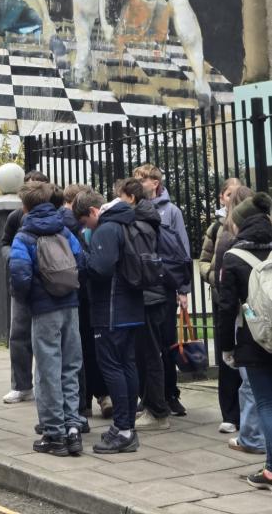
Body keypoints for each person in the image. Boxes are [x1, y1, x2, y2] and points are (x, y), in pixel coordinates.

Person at [9, 181, 85, 457]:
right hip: (70, 306)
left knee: (47, 371)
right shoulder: (64, 229)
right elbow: (81, 262)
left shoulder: (24, 236)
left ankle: (54, 434)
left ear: (26, 207)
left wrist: (30, 298)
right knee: (70, 367)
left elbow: (19, 275)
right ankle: (73, 428)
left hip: (44, 310)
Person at [72, 189, 145, 455]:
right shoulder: (127, 221)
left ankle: (123, 430)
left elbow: (100, 269)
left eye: (85, 222)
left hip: (111, 310)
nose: (86, 228)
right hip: (131, 308)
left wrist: (82, 258)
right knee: (127, 365)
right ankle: (127, 428)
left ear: (93, 211)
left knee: (112, 367)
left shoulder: (106, 228)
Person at [218, 191, 272, 490]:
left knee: (266, 403)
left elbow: (227, 310)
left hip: (255, 339)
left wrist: (227, 348)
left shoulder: (233, 257)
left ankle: (271, 470)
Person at [134, 163, 191, 417]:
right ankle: (146, 395)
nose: (138, 184)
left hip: (165, 286)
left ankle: (170, 394)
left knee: (167, 344)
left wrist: (183, 289)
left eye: (141, 180)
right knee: (143, 346)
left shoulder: (172, 211)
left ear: (154, 183)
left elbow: (182, 251)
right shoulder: (133, 210)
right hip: (143, 288)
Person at [116, 177, 172, 432]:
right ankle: (151, 405)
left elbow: (138, 264)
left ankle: (157, 411)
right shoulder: (146, 220)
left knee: (149, 354)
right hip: (152, 294)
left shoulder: (139, 225)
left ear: (131, 197)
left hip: (148, 296)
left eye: (120, 196)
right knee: (147, 353)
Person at [214, 185, 265, 456]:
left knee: (253, 389)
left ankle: (253, 438)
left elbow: (226, 303)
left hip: (249, 326)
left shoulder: (232, 251)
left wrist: (226, 346)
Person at [61, 183, 110, 422]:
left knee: (76, 350)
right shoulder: (91, 226)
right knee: (95, 347)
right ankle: (104, 395)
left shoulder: (63, 224)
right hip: (93, 295)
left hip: (74, 294)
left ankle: (82, 404)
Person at [199, 179, 245, 433]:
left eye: (237, 194)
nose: (232, 199)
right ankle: (230, 414)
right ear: (221, 197)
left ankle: (249, 413)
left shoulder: (250, 224)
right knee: (226, 356)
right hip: (223, 298)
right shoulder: (216, 227)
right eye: (229, 194)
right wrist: (215, 278)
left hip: (247, 301)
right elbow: (205, 259)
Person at [1, 171, 49, 404]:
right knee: (19, 336)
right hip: (20, 286)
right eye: (28, 187)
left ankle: (45, 385)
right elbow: (5, 243)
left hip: (48, 285)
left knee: (47, 339)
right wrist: (13, 257)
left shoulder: (54, 215)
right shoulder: (15, 216)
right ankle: (21, 386)